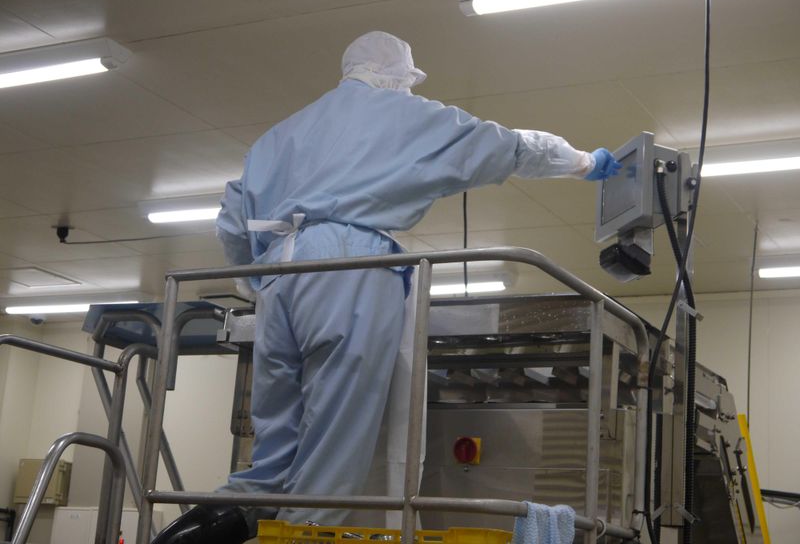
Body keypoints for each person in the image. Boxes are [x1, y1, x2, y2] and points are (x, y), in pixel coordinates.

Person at [151, 31, 620, 544]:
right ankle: (304, 532)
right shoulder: (406, 114)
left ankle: (193, 531)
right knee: (334, 445)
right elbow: (508, 146)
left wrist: (258, 281)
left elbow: (229, 220)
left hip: (278, 276)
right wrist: (583, 162)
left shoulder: (280, 135)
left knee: (270, 458)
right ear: (398, 76)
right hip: (350, 265)